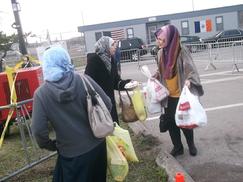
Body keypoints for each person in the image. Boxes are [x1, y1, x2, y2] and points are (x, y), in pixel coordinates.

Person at [31, 46, 112, 181]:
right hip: (97, 145)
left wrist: (51, 145)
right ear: (66, 59)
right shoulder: (84, 80)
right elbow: (107, 103)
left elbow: (39, 131)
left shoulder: (41, 94)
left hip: (70, 153)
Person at [153, 25, 204, 157]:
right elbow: (162, 70)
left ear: (169, 39)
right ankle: (178, 147)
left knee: (184, 122)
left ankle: (191, 145)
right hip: (167, 95)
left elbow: (191, 69)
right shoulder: (160, 53)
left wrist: (190, 80)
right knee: (171, 124)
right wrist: (157, 74)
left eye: (161, 39)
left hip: (180, 94)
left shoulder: (181, 51)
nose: (158, 42)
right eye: (158, 39)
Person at [85, 36, 131, 124]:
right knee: (103, 131)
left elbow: (116, 82)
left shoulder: (112, 60)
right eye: (112, 45)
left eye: (115, 44)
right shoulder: (94, 60)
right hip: (98, 104)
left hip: (110, 103)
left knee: (114, 129)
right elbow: (88, 82)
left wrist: (128, 83)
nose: (115, 46)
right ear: (105, 46)